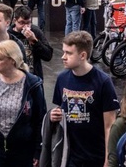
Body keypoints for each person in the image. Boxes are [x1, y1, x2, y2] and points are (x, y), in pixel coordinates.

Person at [0, 40, 47, 167]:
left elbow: (40, 120)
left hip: (23, 150)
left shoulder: (32, 84)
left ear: (12, 60)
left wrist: (38, 151)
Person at [49, 31, 118, 166]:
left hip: (95, 157)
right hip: (69, 156)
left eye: (69, 53)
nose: (63, 57)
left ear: (83, 55)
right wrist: (54, 115)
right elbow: (60, 109)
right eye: (63, 52)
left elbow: (110, 126)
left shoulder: (103, 82)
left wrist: (108, 160)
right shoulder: (62, 78)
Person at [9, 5, 53, 79]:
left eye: (28, 23)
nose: (25, 27)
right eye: (22, 23)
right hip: (14, 77)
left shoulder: (36, 31)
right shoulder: (9, 35)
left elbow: (48, 55)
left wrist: (34, 41)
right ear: (14, 21)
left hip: (33, 76)